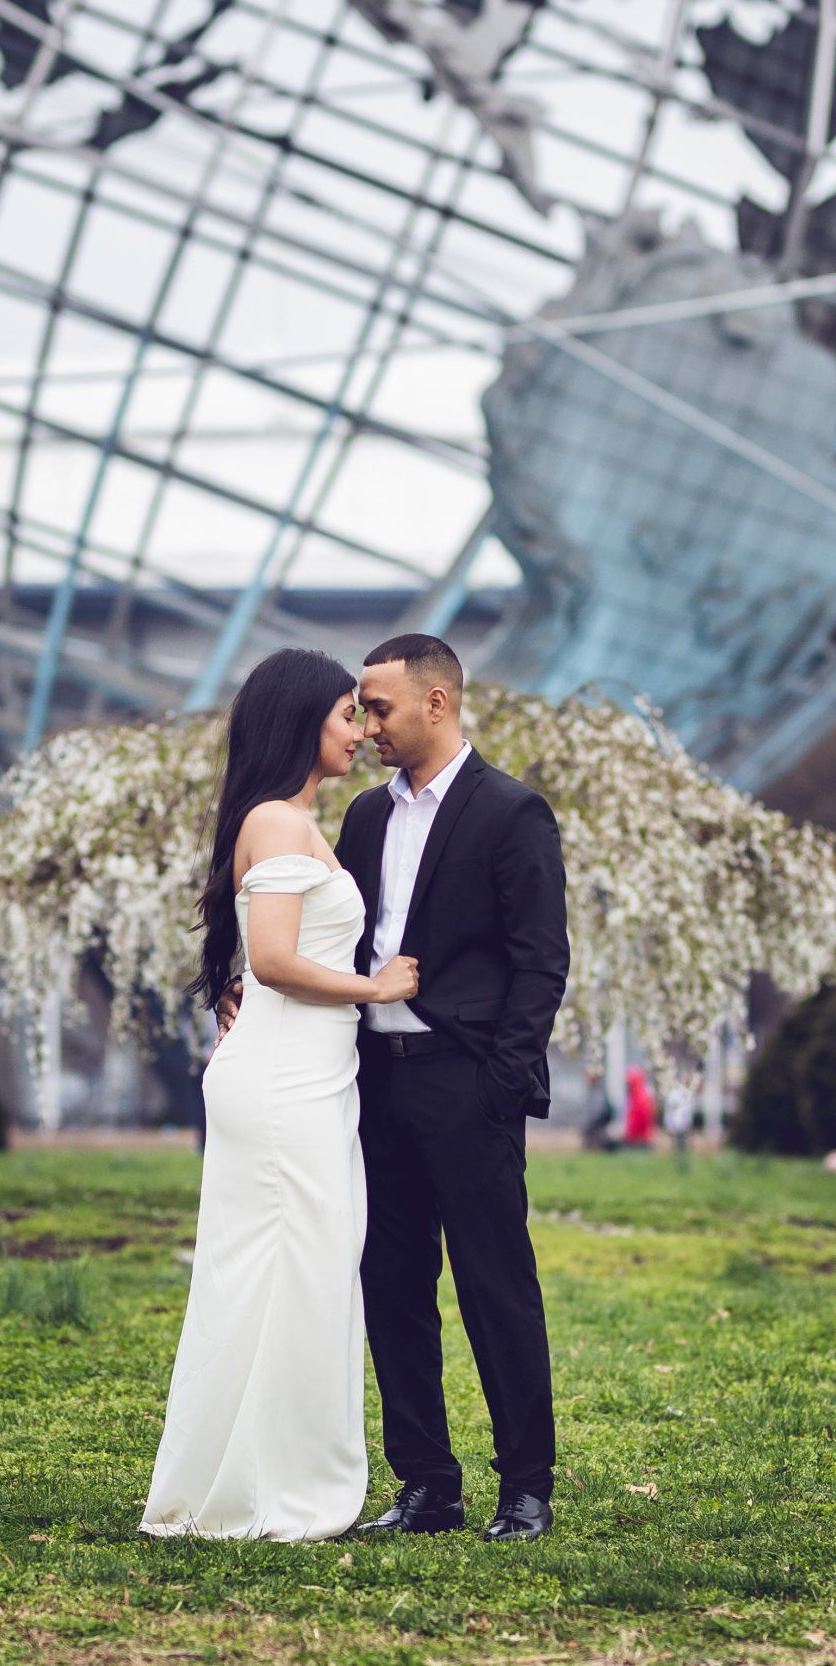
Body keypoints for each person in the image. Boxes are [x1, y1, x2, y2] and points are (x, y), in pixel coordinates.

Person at [141, 648, 419, 1541]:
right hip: (283, 1083)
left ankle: (265, 1474)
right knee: (292, 1275)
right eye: (348, 714)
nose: (361, 731)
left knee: (299, 1275)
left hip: (311, 1078)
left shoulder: (292, 822)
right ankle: (272, 1488)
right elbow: (274, 959)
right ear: (305, 721)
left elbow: (264, 958)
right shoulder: (277, 820)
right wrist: (379, 988)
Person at [339, 634, 569, 1543]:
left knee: (493, 1286)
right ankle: (428, 1487)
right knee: (392, 1285)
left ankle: (527, 1489)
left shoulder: (512, 813)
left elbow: (541, 963)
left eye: (380, 707)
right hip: (374, 1086)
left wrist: (501, 1081)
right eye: (360, 707)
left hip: (465, 1084)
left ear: (437, 704)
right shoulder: (362, 818)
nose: (366, 724)